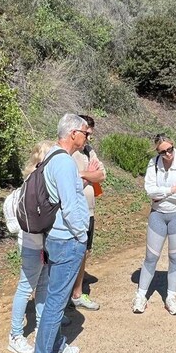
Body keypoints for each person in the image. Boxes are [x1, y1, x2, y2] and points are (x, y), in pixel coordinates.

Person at [31, 114, 90, 353]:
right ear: (73, 133)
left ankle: (54, 347)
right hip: (67, 239)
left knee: (54, 297)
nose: (87, 138)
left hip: (54, 237)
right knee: (56, 301)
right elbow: (70, 205)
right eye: (86, 134)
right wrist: (81, 235)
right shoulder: (64, 163)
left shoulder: (52, 156)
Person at [132, 134, 176, 315]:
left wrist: (161, 195)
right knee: (150, 257)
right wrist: (169, 190)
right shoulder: (154, 163)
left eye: (170, 149)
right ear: (157, 152)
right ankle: (140, 295)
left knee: (175, 258)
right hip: (158, 214)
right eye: (163, 151)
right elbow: (149, 191)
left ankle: (171, 297)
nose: (168, 154)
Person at [6, 140, 54, 353]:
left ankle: (41, 329)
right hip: (32, 247)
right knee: (26, 288)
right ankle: (15, 335)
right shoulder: (26, 190)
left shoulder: (34, 187)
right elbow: (13, 223)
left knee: (43, 286)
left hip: (42, 247)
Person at [69, 114, 106, 311]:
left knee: (83, 252)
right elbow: (71, 184)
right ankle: (63, 296)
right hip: (73, 211)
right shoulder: (68, 154)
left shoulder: (89, 151)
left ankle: (77, 293)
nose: (89, 139)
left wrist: (84, 174)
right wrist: (87, 176)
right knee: (69, 253)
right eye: (86, 134)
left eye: (90, 134)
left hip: (89, 211)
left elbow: (102, 174)